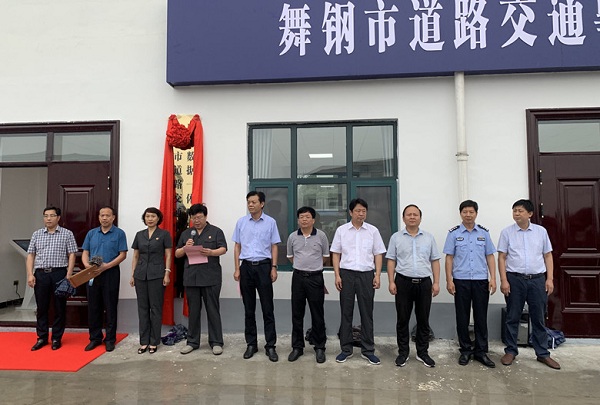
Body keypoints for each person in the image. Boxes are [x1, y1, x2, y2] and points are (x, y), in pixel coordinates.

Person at [497, 199, 560, 370]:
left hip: (537, 280)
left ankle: (542, 353)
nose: (516, 213)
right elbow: (502, 257)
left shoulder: (541, 232)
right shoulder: (507, 232)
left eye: (520, 211)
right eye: (514, 210)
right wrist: (504, 280)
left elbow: (548, 255)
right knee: (512, 316)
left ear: (530, 214)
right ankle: (511, 351)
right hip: (514, 279)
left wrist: (549, 278)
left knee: (538, 317)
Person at [331, 198, 386, 365]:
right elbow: (336, 253)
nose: (361, 214)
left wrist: (377, 275)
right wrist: (337, 275)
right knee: (346, 312)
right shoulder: (342, 230)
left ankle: (368, 350)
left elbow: (378, 253)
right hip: (346, 274)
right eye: (357, 211)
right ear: (350, 212)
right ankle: (346, 349)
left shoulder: (373, 231)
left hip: (366, 275)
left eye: (363, 211)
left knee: (366, 313)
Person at [443, 200, 497, 368]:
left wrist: (493, 278)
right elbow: (449, 258)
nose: (468, 215)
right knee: (462, 317)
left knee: (481, 317)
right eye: (465, 212)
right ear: (460, 213)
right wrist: (449, 280)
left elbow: (490, 256)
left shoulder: (484, 233)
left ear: (476, 213)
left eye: (471, 212)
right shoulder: (453, 234)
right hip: (461, 280)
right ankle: (465, 350)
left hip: (481, 280)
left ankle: (481, 351)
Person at [386, 204, 440, 368]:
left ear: (420, 218)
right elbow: (391, 260)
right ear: (403, 218)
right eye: (408, 214)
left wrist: (436, 282)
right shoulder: (396, 237)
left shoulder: (429, 238)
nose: (412, 217)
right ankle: (403, 353)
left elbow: (435, 260)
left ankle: (423, 352)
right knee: (402, 319)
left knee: (423, 319)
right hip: (403, 282)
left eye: (415, 214)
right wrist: (391, 281)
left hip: (424, 283)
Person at [233, 191, 281, 361]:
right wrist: (237, 268)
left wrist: (273, 267)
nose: (250, 205)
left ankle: (270, 346)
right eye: (249, 202)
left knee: (268, 308)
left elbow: (274, 246)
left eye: (254, 202)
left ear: (262, 204)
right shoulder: (241, 222)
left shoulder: (270, 222)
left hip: (264, 267)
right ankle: (251, 344)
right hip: (246, 267)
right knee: (249, 309)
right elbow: (237, 246)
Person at [176, 203, 227, 355]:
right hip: (191, 277)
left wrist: (211, 252)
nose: (196, 221)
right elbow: (177, 254)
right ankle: (192, 342)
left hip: (210, 277)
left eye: (199, 217)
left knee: (213, 310)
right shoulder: (186, 233)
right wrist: (185, 248)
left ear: (205, 216)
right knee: (193, 312)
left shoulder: (216, 231)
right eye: (194, 218)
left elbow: (223, 249)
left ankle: (216, 342)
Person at [26, 206, 78, 351]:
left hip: (59, 273)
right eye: (46, 216)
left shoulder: (67, 234)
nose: (48, 219)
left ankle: (56, 338)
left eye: (52, 216)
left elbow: (72, 254)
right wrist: (30, 274)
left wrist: (68, 274)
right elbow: (31, 255)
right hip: (41, 274)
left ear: (58, 218)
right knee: (41, 307)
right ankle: (42, 337)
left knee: (59, 307)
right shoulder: (37, 234)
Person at [286, 206, 330, 363]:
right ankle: (297, 347)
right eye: (301, 217)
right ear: (298, 220)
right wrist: (302, 266)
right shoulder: (292, 237)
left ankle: (320, 347)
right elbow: (291, 257)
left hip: (315, 278)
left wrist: (312, 267)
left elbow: (325, 256)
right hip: (298, 278)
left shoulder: (321, 236)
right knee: (297, 313)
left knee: (317, 313)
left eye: (307, 217)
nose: (304, 220)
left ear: (313, 220)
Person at [82, 206, 128, 352]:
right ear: (99, 217)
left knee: (110, 307)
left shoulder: (119, 233)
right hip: (92, 274)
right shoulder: (91, 233)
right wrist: (87, 266)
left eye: (107, 215)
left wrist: (106, 266)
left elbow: (123, 255)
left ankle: (110, 339)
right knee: (93, 307)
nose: (104, 218)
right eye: (102, 215)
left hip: (110, 273)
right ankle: (95, 338)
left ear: (113, 217)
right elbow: (85, 252)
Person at [129, 207, 172, 354]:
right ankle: (144, 341)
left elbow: (168, 255)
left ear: (158, 218)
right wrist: (133, 275)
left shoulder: (164, 234)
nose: (150, 219)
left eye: (153, 216)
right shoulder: (139, 235)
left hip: (157, 274)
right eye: (147, 216)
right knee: (142, 308)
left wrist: (167, 273)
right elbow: (135, 255)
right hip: (140, 275)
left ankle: (154, 341)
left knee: (155, 308)